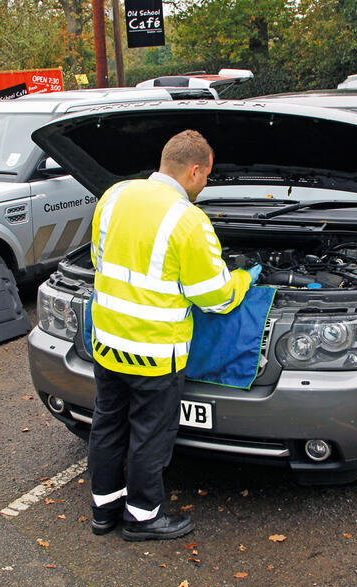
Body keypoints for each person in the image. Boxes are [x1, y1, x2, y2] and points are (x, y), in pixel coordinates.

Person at [87, 130, 261, 541]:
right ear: (195, 170)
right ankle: (143, 518)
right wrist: (241, 278)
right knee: (150, 434)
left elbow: (99, 258)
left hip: (107, 343)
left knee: (108, 425)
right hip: (153, 354)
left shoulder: (113, 196)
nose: (206, 185)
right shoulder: (188, 219)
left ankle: (104, 509)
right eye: (207, 177)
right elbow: (215, 298)